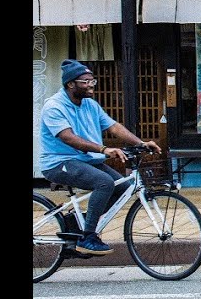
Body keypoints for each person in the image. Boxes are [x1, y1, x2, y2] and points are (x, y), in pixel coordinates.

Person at [39, 59, 161, 256]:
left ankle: (78, 224)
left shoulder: (90, 105)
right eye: (85, 82)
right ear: (71, 84)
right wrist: (104, 149)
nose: (91, 86)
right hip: (59, 162)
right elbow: (68, 138)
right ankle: (88, 237)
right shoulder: (54, 106)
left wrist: (140, 143)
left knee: (124, 187)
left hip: (86, 161)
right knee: (104, 183)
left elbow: (113, 127)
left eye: (92, 81)